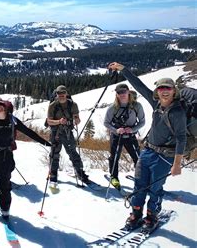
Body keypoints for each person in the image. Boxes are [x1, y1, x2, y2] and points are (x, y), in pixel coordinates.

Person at [108, 62, 186, 232]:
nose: (164, 91)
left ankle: (151, 216)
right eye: (160, 88)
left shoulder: (178, 112)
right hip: (148, 151)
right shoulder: (155, 102)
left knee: (155, 188)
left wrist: (177, 164)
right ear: (157, 91)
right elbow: (138, 85)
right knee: (139, 184)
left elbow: (181, 138)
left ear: (174, 90)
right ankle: (136, 214)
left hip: (166, 156)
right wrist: (123, 70)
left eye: (168, 88)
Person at [103, 84, 145, 189]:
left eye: (124, 91)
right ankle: (114, 177)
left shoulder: (137, 106)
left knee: (138, 158)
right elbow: (106, 123)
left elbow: (142, 122)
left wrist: (132, 129)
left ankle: (142, 178)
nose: (122, 94)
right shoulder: (112, 108)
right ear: (116, 94)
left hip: (130, 136)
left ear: (128, 92)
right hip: (117, 136)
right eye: (119, 92)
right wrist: (116, 130)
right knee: (114, 157)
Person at [46, 85, 90, 186]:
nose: (61, 95)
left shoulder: (73, 105)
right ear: (56, 94)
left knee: (72, 152)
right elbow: (49, 121)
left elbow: (77, 118)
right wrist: (59, 121)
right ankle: (53, 173)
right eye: (59, 94)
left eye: (63, 93)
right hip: (56, 132)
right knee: (54, 153)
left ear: (66, 93)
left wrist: (76, 120)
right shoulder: (52, 105)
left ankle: (80, 172)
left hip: (67, 132)